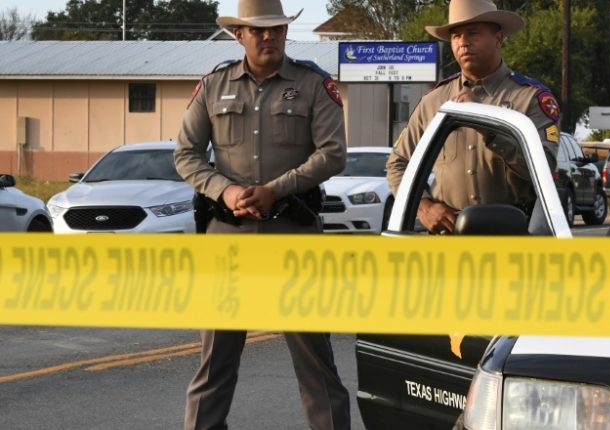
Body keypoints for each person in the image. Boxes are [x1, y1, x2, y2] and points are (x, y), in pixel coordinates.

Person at [173, 0, 350, 429]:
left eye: (276, 28)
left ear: (286, 32)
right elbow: (186, 154)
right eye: (258, 30)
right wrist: (226, 190)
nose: (268, 36)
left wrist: (276, 190)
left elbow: (333, 153)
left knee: (315, 361)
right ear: (239, 35)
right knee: (214, 361)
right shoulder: (213, 85)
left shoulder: (313, 84)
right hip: (228, 239)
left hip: (293, 236)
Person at [386, 0, 561, 235]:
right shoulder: (434, 101)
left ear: (498, 38)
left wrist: (489, 128)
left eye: (473, 33)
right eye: (456, 36)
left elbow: (544, 168)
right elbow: (397, 164)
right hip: (448, 237)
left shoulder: (530, 98)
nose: (463, 42)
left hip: (510, 235)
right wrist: (424, 207)